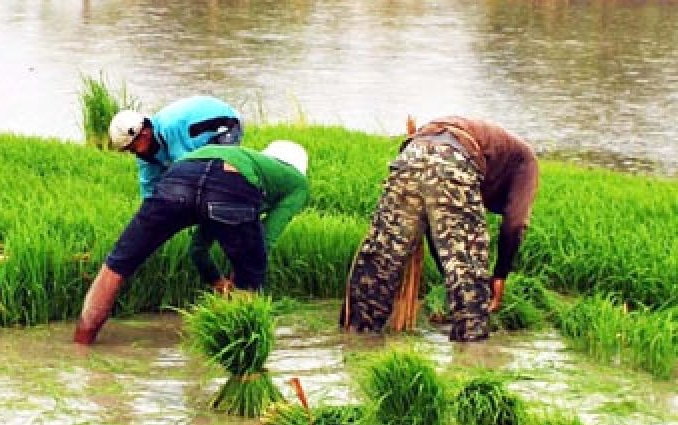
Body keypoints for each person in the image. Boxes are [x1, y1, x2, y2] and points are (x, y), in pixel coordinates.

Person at [73, 140, 311, 345]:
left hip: (180, 176)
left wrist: (217, 282)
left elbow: (198, 249)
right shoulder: (297, 183)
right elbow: (266, 238)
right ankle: (240, 359)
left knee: (117, 265)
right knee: (252, 271)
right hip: (230, 184)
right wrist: (244, 275)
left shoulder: (249, 160)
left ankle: (81, 345)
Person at [341, 116, 539, 342]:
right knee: (469, 278)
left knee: (380, 261)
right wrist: (500, 275)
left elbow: (438, 231)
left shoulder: (495, 146)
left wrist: (448, 272)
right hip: (453, 158)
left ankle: (356, 339)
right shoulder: (527, 161)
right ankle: (471, 356)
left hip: (411, 155)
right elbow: (515, 223)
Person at [108, 95, 244, 198]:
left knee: (216, 181)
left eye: (132, 147)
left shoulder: (170, 129)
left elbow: (186, 171)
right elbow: (149, 187)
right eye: (128, 150)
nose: (132, 153)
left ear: (143, 133)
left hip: (226, 125)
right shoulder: (144, 153)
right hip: (196, 135)